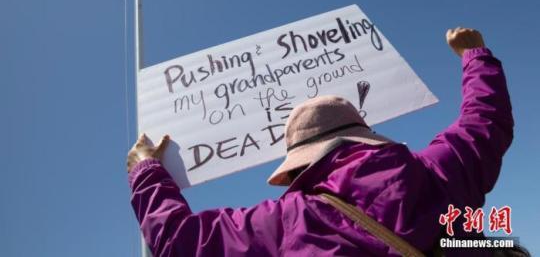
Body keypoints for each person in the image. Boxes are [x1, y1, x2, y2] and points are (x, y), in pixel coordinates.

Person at [127, 27, 514, 256]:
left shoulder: (284, 221)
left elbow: (180, 241)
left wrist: (146, 170)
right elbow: (485, 118)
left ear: (299, 160)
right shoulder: (439, 171)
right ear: (363, 133)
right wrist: (473, 53)